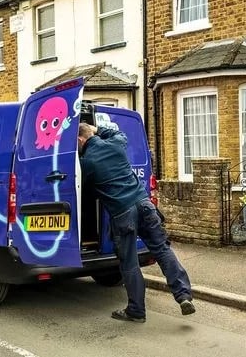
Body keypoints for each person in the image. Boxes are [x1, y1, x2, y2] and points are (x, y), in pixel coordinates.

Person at [78, 123, 195, 323]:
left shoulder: (86, 162)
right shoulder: (116, 144)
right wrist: (95, 129)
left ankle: (136, 311)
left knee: (129, 262)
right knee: (162, 250)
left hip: (123, 214)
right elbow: (120, 133)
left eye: (76, 142)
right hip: (144, 204)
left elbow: (84, 191)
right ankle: (183, 295)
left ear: (81, 140)